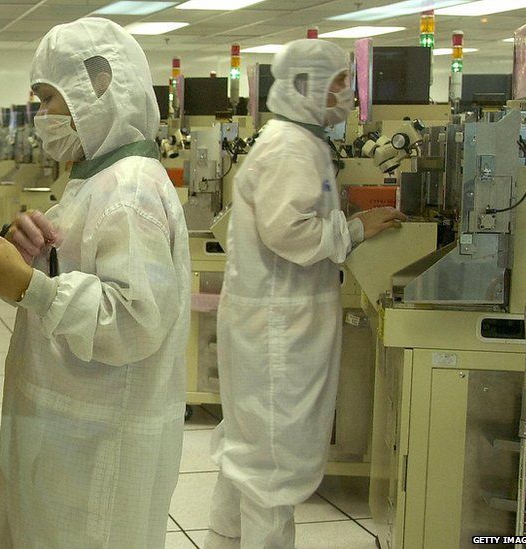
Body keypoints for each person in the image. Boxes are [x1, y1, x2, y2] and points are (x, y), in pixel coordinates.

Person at [0, 17, 190, 549]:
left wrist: (27, 288)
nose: (41, 118)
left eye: (48, 100)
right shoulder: (97, 179)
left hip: (100, 443)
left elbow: (132, 322)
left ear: (99, 87)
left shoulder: (130, 191)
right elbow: (91, 276)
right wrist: (34, 258)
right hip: (71, 429)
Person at [204, 39, 407, 549]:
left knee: (248, 452)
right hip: (278, 330)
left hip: (272, 321)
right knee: (272, 463)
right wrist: (357, 228)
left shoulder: (298, 139)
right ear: (303, 86)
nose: (349, 94)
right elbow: (289, 232)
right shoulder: (291, 145)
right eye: (340, 82)